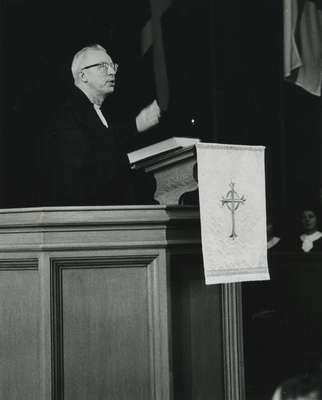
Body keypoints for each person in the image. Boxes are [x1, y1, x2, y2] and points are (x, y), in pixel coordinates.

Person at [41, 44, 161, 206]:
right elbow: (84, 175)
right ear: (83, 76)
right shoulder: (69, 116)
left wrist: (136, 125)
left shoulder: (92, 111)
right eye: (103, 67)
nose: (112, 72)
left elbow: (105, 140)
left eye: (112, 66)